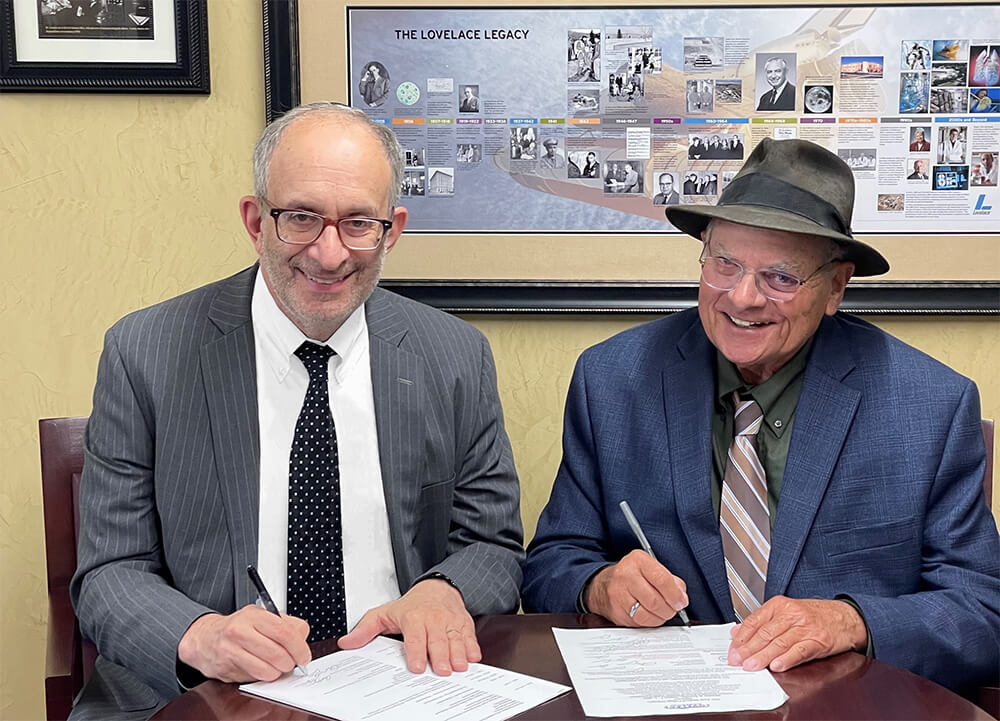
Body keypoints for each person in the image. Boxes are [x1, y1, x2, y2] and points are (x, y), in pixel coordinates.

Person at [69, 102, 524, 720]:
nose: (330, 253)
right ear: (256, 221)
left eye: (359, 222)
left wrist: (443, 591)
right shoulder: (144, 352)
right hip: (202, 698)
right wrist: (201, 636)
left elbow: (493, 545)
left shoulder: (454, 356)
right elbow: (109, 572)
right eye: (303, 217)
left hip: (403, 689)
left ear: (392, 230)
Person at [522, 137, 1000, 692]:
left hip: (844, 708)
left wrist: (852, 621)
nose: (743, 297)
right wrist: (599, 584)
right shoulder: (613, 380)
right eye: (725, 263)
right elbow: (551, 563)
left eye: (781, 277)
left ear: (835, 287)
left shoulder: (930, 406)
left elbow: (983, 613)